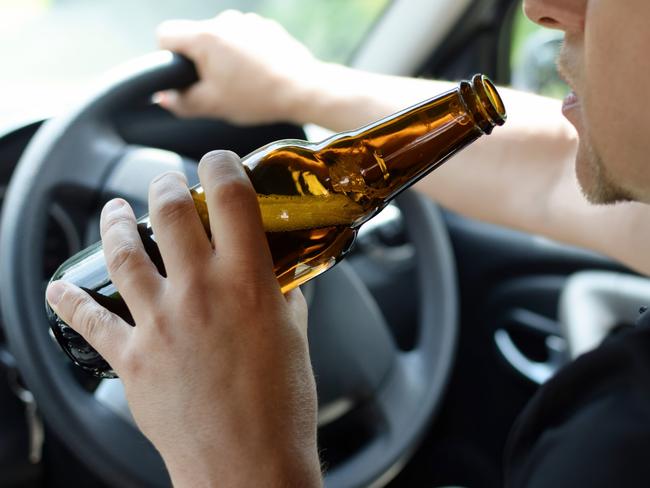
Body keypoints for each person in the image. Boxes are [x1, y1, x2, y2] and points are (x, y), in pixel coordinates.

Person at [44, 0, 650, 486]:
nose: (541, 8)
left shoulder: (616, 443)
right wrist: (296, 85)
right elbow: (548, 173)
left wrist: (237, 454)